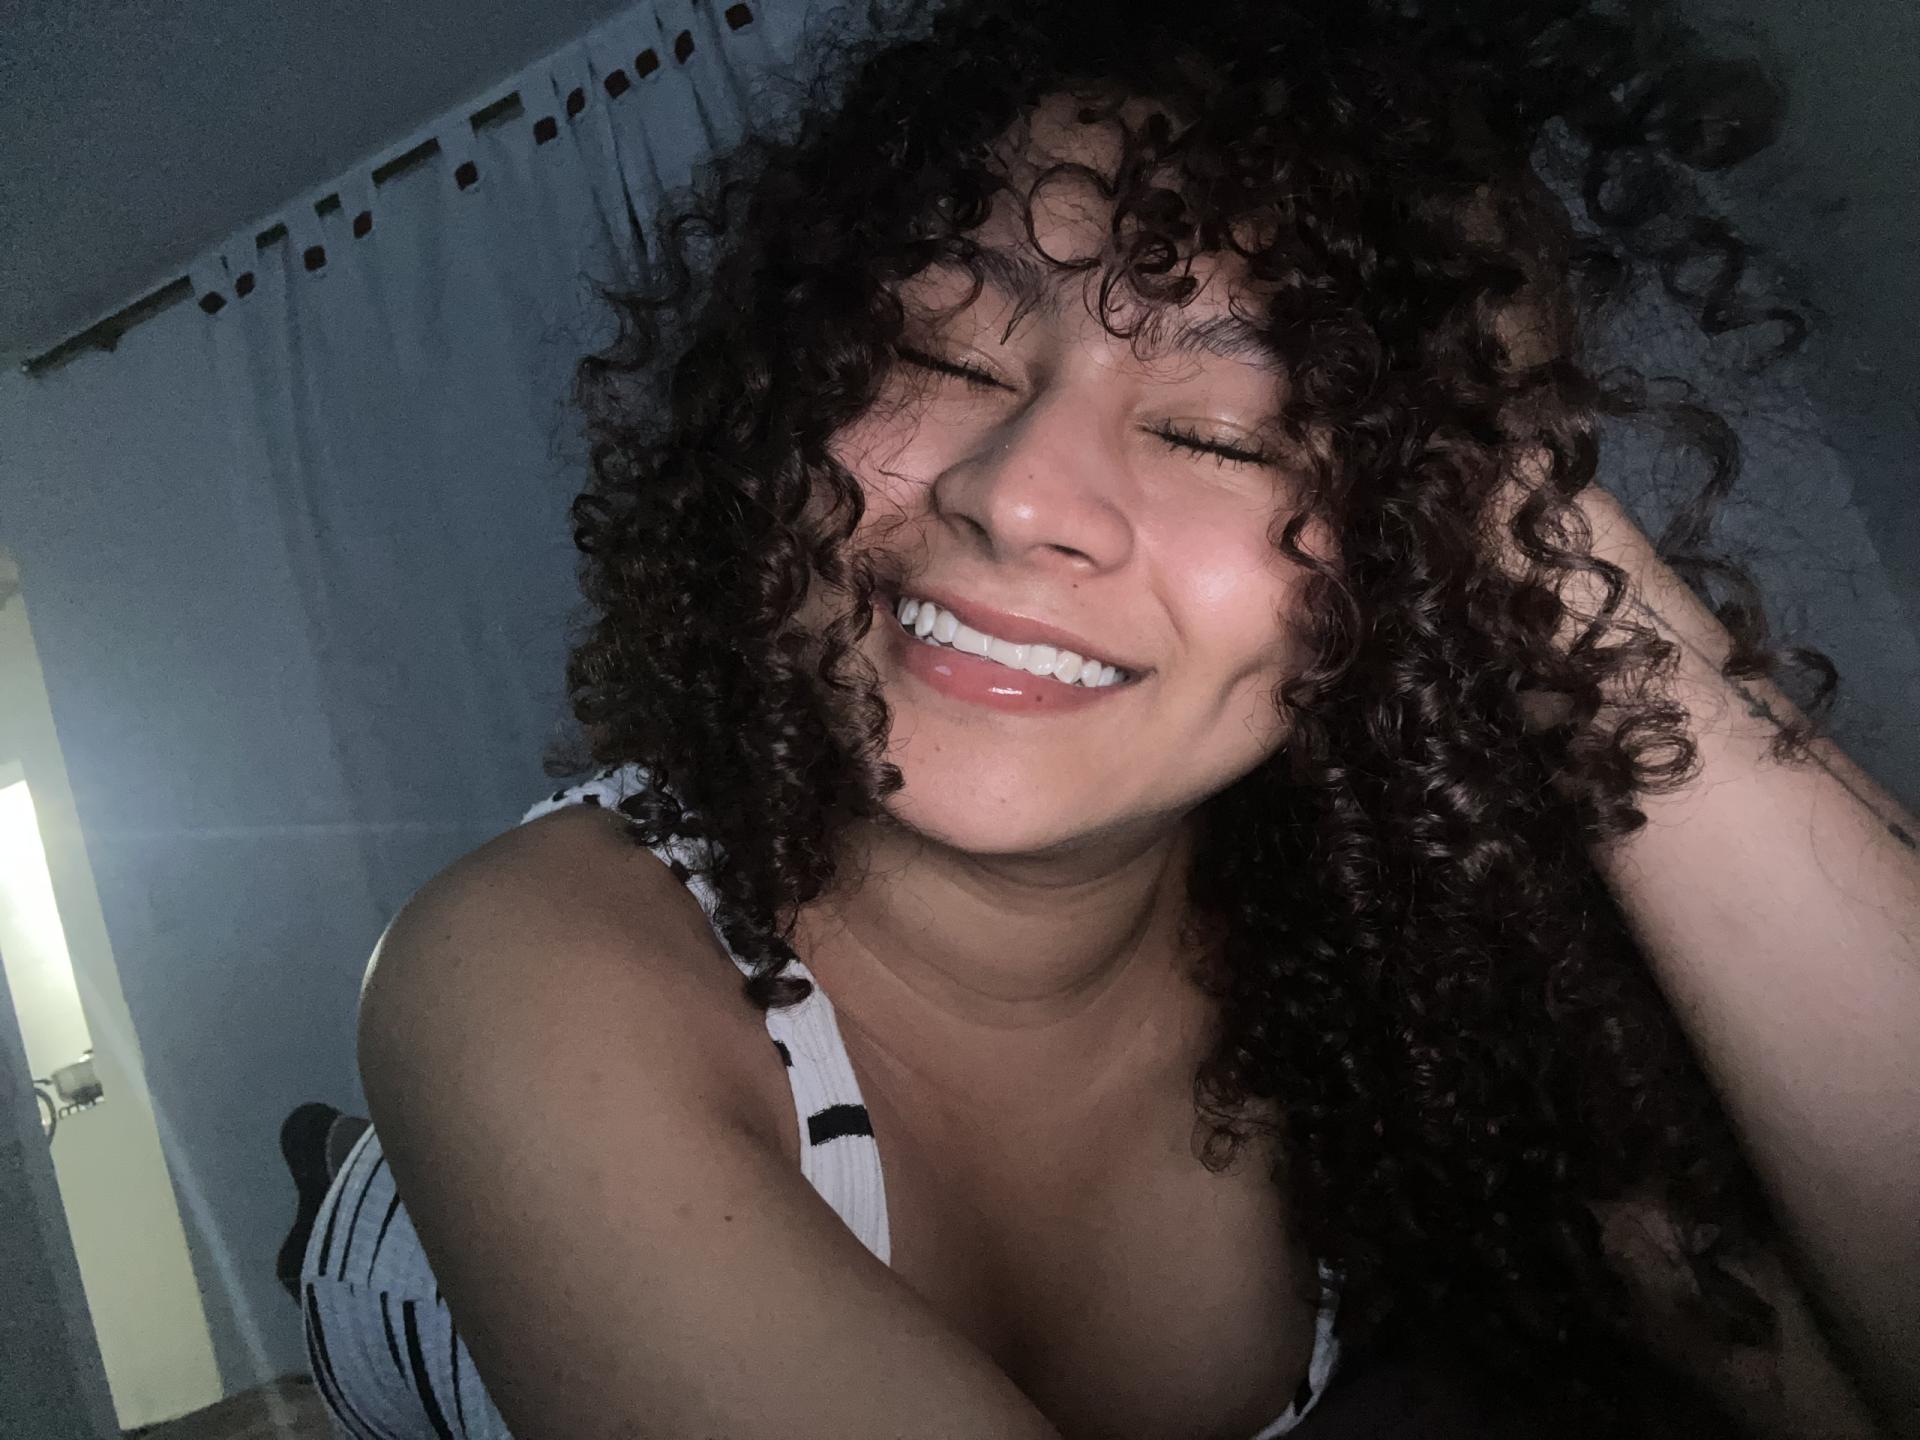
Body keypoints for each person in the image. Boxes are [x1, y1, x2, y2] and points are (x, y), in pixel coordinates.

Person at [300, 0, 1920, 1435]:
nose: (1020, 497)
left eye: (1228, 436)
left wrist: (1528, 519)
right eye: (939, 350)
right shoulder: (519, 967)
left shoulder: (1381, 998)